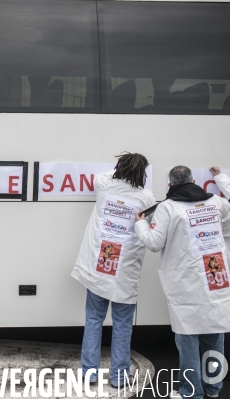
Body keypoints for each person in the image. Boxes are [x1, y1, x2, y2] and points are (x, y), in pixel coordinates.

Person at [135, 166, 230, 399]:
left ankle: (190, 392)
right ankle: (213, 388)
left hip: (185, 282)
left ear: (170, 185)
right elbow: (225, 227)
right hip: (214, 276)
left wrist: (140, 223)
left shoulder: (167, 207)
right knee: (214, 335)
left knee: (187, 339)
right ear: (194, 181)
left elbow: (155, 243)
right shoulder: (217, 203)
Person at [72, 153, 156, 387]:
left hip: (100, 269)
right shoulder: (147, 197)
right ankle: (119, 376)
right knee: (122, 325)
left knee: (93, 320)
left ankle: (89, 373)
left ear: (119, 168)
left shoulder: (104, 186)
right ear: (143, 174)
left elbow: (103, 174)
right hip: (124, 273)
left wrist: (121, 171)